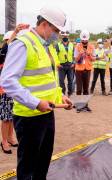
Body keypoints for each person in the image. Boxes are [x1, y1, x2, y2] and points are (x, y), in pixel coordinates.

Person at [0, 6, 73, 180]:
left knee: (43, 163)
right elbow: (7, 81)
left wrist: (60, 97)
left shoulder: (45, 46)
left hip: (47, 113)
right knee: (28, 168)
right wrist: (35, 103)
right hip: (28, 117)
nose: (57, 34)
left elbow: (47, 80)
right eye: (56, 30)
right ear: (45, 24)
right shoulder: (24, 43)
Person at [74, 30, 95, 96]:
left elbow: (93, 59)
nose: (84, 41)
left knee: (86, 89)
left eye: (85, 39)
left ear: (88, 39)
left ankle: (85, 105)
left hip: (87, 70)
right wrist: (80, 54)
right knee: (79, 89)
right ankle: (78, 105)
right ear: (81, 39)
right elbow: (76, 60)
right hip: (79, 70)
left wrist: (89, 55)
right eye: (83, 40)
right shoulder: (77, 47)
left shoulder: (92, 47)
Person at [56, 31, 74, 97]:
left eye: (66, 36)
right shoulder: (58, 45)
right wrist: (57, 64)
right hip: (61, 66)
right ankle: (63, 94)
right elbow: (55, 55)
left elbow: (74, 55)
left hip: (70, 65)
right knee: (61, 81)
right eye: (64, 36)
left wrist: (73, 63)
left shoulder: (72, 45)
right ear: (62, 36)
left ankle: (70, 93)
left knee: (70, 81)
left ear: (68, 36)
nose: (65, 37)